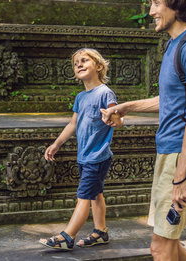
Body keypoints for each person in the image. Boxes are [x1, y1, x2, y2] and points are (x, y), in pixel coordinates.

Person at [102, 0, 186, 261]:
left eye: (156, 4)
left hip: (184, 158)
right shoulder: (175, 45)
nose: (151, 11)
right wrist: (128, 107)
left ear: (176, 5)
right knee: (171, 244)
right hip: (171, 153)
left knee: (160, 247)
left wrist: (181, 177)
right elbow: (173, 101)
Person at [39, 48, 123, 251]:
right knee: (96, 195)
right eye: (76, 63)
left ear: (99, 66)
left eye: (84, 60)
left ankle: (67, 237)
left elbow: (118, 119)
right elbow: (72, 124)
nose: (79, 64)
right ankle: (101, 232)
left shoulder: (105, 92)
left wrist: (113, 119)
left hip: (97, 155)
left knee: (84, 196)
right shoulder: (80, 97)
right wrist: (57, 144)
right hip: (85, 156)